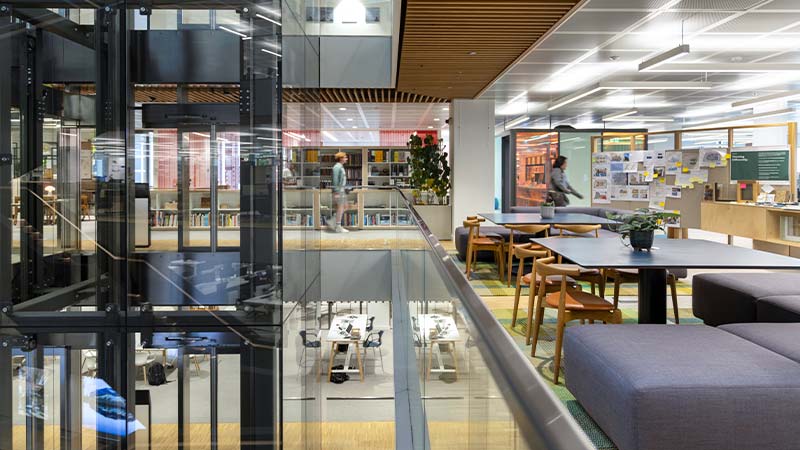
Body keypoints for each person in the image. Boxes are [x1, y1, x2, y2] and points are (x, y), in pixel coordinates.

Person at [330, 152, 349, 232]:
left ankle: (334, 220)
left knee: (345, 207)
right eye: (345, 157)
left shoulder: (341, 167)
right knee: (341, 208)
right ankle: (338, 226)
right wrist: (336, 192)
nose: (346, 159)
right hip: (339, 191)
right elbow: (335, 180)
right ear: (341, 158)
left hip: (342, 190)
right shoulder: (337, 167)